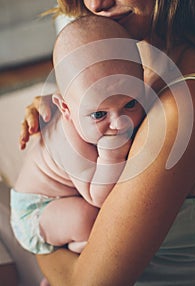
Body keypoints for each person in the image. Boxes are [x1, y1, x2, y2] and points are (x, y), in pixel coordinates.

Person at [19, 0, 195, 285]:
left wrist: (33, 231)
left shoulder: (185, 108)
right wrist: (63, 120)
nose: (94, 1)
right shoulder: (144, 64)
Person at [11, 15, 146, 257]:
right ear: (66, 109)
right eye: (99, 114)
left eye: (131, 103)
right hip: (38, 210)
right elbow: (99, 197)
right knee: (87, 218)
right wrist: (112, 155)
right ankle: (74, 251)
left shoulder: (94, 102)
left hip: (69, 198)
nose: (119, 122)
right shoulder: (68, 140)